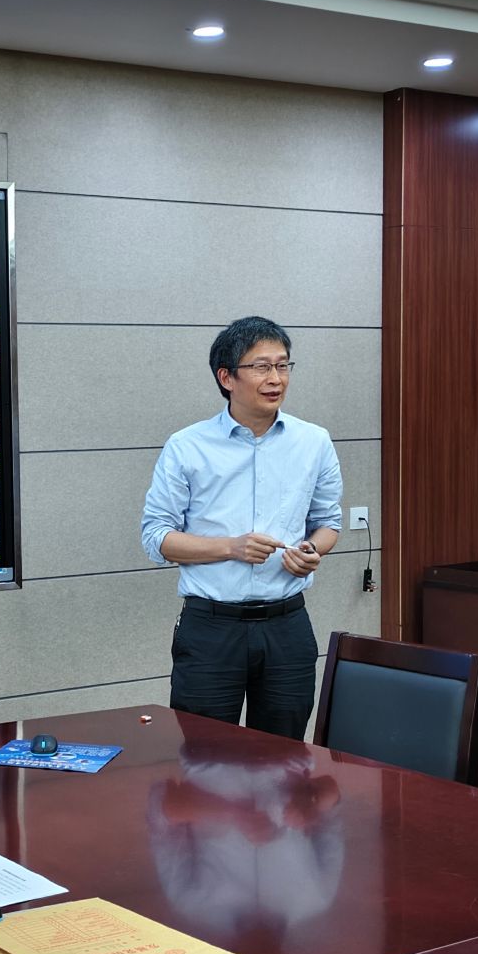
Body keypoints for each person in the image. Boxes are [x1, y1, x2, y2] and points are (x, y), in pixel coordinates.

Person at [140, 315, 343, 737]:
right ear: (227, 377)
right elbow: (156, 537)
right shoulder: (187, 446)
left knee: (283, 755)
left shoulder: (314, 442)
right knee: (205, 755)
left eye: (283, 365)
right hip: (211, 629)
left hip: (287, 627)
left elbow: (328, 523)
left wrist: (313, 550)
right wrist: (231, 548)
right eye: (261, 367)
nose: (276, 378)